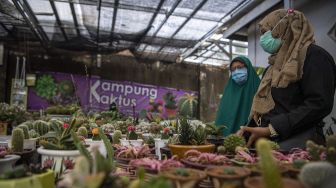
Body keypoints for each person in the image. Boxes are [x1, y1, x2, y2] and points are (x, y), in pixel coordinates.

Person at [239, 9, 336, 150]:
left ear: (287, 28)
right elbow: (266, 109)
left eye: (269, 31)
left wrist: (273, 128)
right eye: (263, 33)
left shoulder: (314, 56)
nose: (264, 38)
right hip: (270, 139)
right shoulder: (273, 67)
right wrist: (246, 132)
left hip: (299, 141)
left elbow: (319, 103)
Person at [215, 55, 260, 136]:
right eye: (233, 69)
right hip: (227, 141)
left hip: (253, 138)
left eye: (239, 67)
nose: (236, 71)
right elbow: (222, 117)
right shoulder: (228, 92)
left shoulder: (259, 87)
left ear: (248, 67)